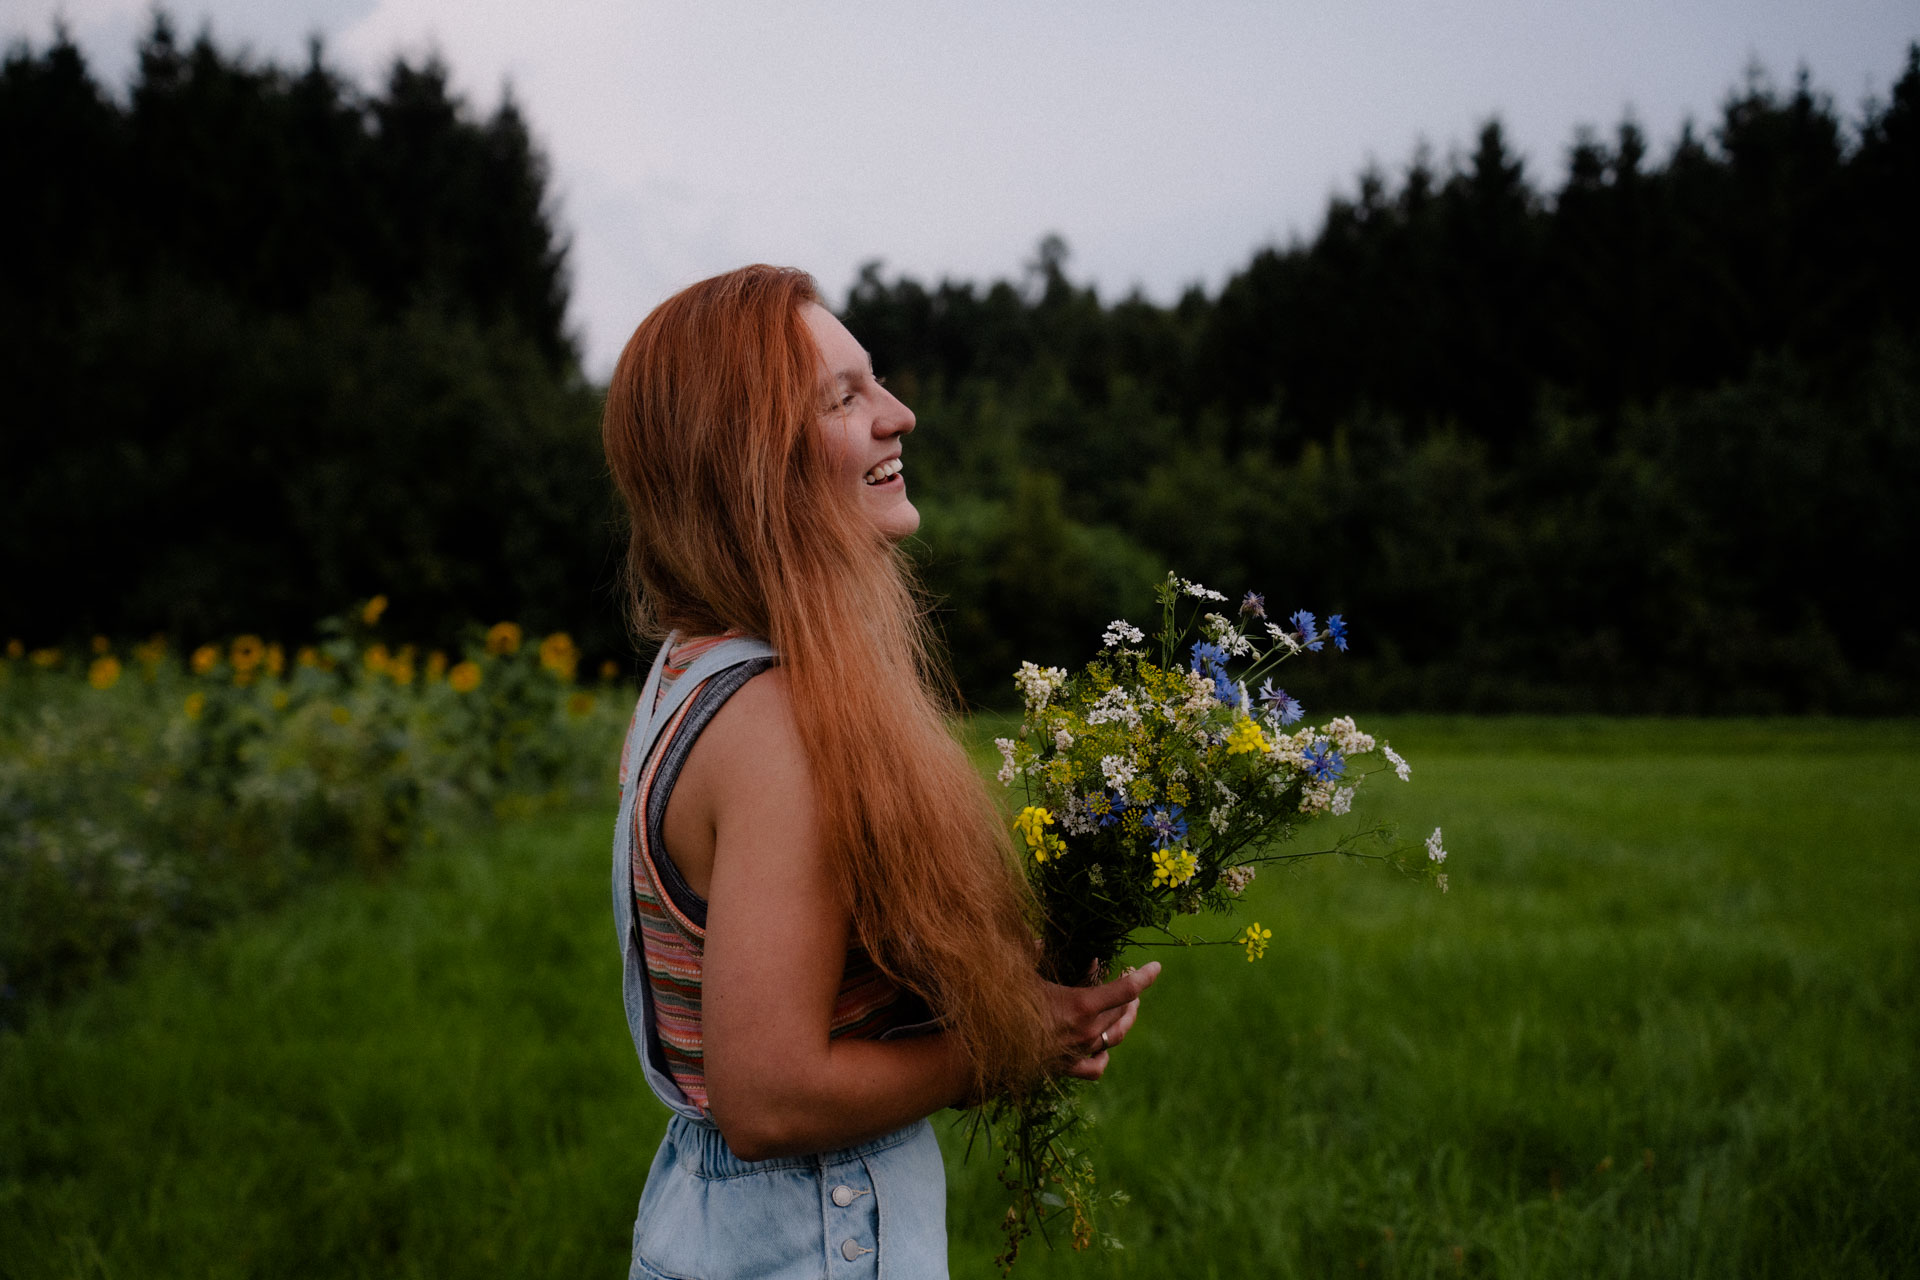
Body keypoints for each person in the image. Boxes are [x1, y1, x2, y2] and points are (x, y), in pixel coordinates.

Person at [600, 264, 1160, 1279]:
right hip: (813, 1234)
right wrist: (1011, 1041)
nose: (899, 414)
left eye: (876, 381)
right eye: (844, 397)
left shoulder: (690, 665)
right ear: (749, 460)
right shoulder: (772, 722)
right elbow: (770, 1097)